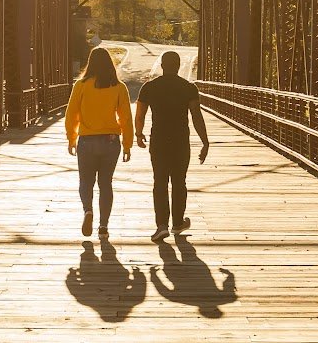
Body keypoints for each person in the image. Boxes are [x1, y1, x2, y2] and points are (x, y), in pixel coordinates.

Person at [135, 51, 210, 242]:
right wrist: (205, 141)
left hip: (158, 141)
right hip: (181, 141)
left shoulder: (149, 87)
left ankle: (161, 226)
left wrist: (138, 133)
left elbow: (140, 114)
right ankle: (177, 223)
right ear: (178, 66)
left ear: (162, 65)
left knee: (159, 182)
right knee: (179, 182)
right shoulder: (188, 88)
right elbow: (196, 115)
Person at [65, 46, 133, 237]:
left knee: (86, 182)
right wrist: (127, 144)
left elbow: (71, 114)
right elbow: (125, 118)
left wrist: (71, 138)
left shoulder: (81, 85)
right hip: (111, 141)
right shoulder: (119, 87)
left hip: (87, 141)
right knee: (106, 184)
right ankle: (103, 227)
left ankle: (88, 210)